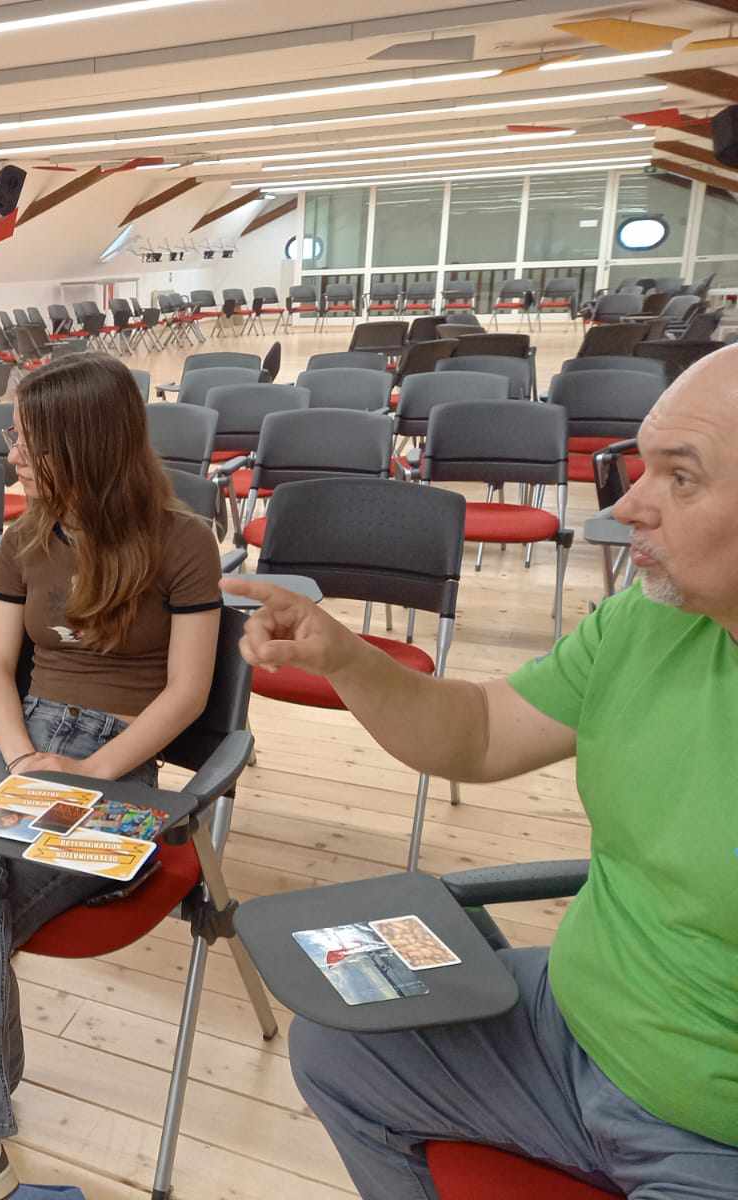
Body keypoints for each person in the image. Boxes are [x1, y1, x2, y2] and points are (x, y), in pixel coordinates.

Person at [221, 346, 738, 1197]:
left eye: (680, 479)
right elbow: (480, 731)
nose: (627, 505)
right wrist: (345, 656)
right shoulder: (648, 623)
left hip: (713, 1134)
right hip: (566, 1024)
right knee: (339, 1046)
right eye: (643, 467)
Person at [0, 353, 224, 1200]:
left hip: (122, 756)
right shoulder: (24, 539)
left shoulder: (185, 543)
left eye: (28, 442)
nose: (11, 457)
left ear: (86, 445)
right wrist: (23, 759)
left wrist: (93, 769)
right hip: (22, 738)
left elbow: (187, 693)